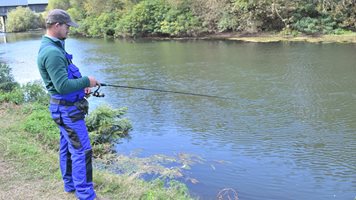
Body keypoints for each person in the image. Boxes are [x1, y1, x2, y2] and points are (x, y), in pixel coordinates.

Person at [37, 9, 98, 200]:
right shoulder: (52, 52)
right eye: (67, 26)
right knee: (82, 151)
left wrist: (82, 90)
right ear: (57, 25)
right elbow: (62, 86)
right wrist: (87, 81)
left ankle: (70, 185)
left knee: (68, 148)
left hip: (63, 109)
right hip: (67, 112)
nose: (69, 30)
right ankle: (85, 195)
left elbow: (64, 81)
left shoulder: (55, 47)